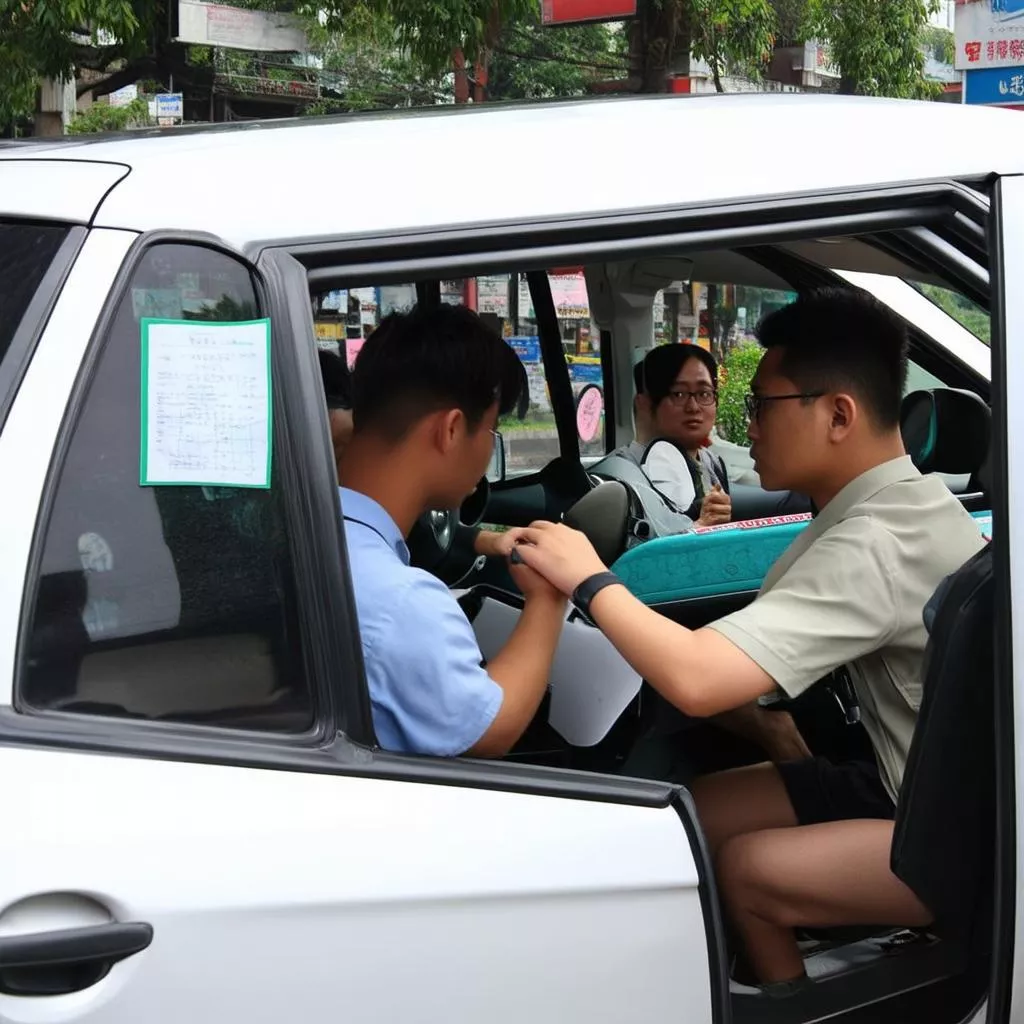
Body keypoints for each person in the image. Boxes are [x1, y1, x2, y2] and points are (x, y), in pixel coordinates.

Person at [501, 289, 985, 992]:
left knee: (746, 871)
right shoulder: (883, 505)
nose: (746, 426)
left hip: (947, 827)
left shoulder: (875, 543)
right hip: (900, 778)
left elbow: (698, 679)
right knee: (691, 814)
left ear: (839, 415)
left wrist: (588, 578)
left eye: (761, 406)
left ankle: (791, 1008)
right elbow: (742, 658)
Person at [335, 305, 567, 758]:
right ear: (453, 429)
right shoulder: (398, 601)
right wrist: (547, 599)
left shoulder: (312, 533)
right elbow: (488, 731)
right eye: (491, 431)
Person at [319, 346, 511, 561]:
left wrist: (489, 541)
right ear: (451, 429)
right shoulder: (400, 587)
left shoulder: (338, 522)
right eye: (490, 429)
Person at [632, 343, 732, 527]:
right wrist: (699, 527)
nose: (693, 407)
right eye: (678, 394)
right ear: (645, 404)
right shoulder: (625, 477)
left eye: (704, 393)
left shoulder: (713, 463)